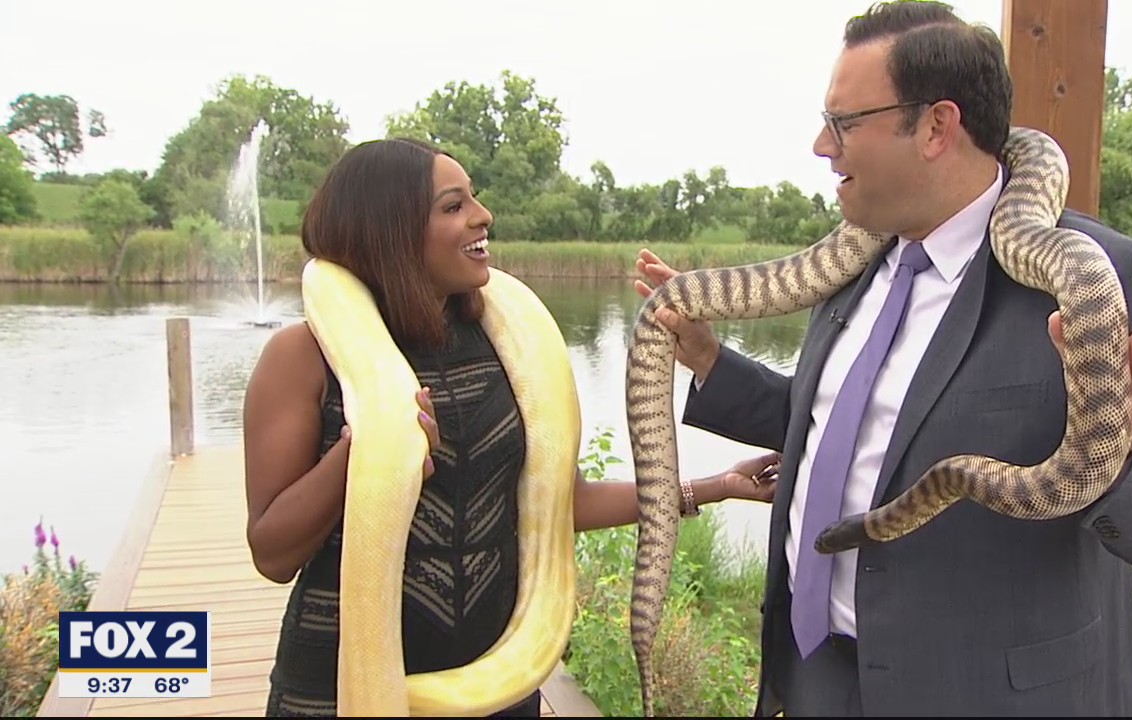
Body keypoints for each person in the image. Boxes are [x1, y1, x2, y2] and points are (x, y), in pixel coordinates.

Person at [632, 1, 1132, 716]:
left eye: (843, 124)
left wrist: (1122, 451)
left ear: (936, 126)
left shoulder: (1098, 277)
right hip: (817, 675)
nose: (821, 145)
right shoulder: (853, 261)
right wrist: (712, 362)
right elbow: (850, 431)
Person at [241, 137, 781, 718]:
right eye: (453, 206)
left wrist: (715, 487)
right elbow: (273, 554)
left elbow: (561, 504)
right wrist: (362, 453)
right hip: (340, 686)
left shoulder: (507, 349)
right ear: (389, 231)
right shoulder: (302, 357)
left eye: (474, 198)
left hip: (495, 684)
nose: (483, 216)